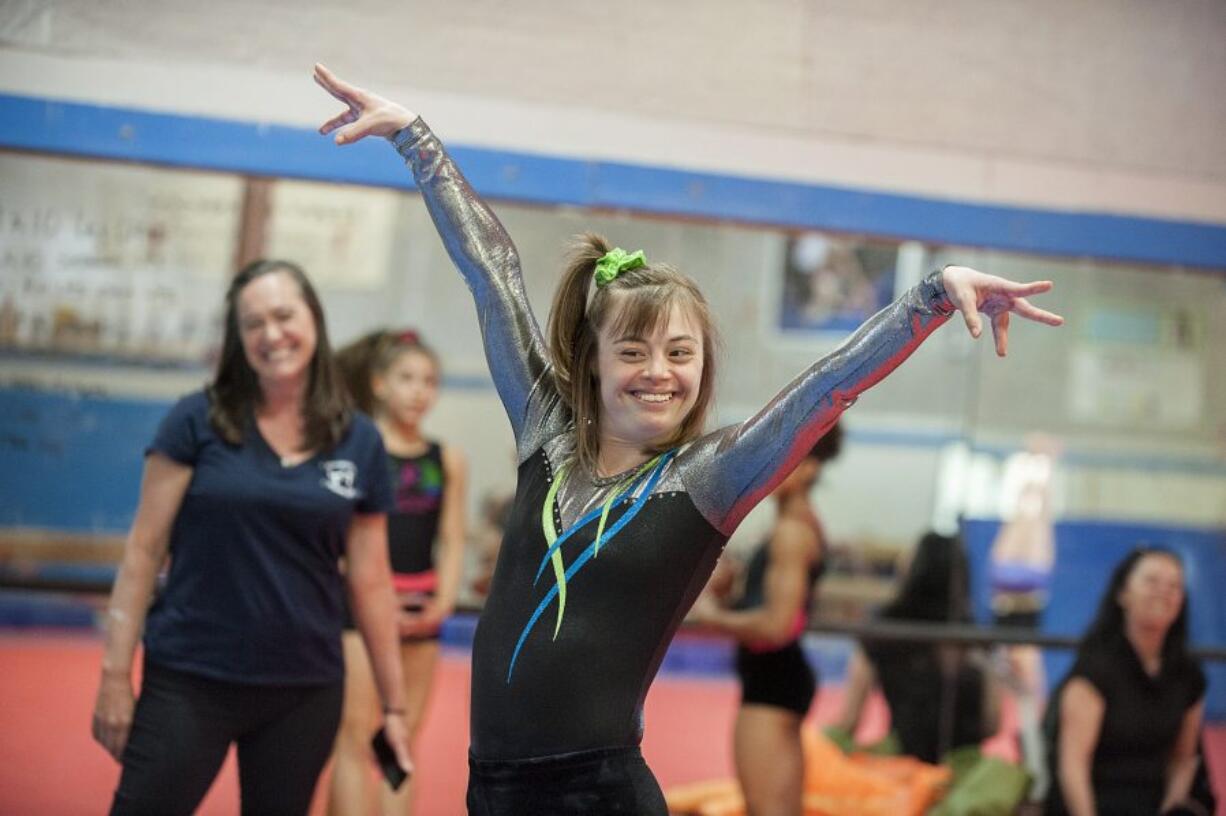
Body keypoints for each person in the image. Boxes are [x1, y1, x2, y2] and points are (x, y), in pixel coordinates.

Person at [313, 63, 1063, 815]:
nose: (657, 374)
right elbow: (494, 275)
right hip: (494, 788)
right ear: (592, 361)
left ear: (702, 370)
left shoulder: (710, 476)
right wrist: (417, 141)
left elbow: (827, 387)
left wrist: (929, 298)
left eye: (680, 354)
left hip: (600, 793)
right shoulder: (546, 435)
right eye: (632, 352)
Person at [91, 259, 412, 815]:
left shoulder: (359, 441)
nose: (272, 335)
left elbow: (372, 582)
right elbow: (143, 552)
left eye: (284, 315)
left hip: (304, 690)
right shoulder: (196, 420)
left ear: (313, 316)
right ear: (238, 339)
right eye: (253, 324)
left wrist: (395, 708)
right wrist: (115, 677)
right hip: (190, 679)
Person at [328, 329, 468, 816]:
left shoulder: (446, 460)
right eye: (406, 378)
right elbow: (336, 534)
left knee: (400, 740)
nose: (418, 391)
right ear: (380, 384)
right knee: (354, 736)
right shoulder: (354, 450)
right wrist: (369, 595)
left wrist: (444, 602)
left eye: (428, 381)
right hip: (360, 611)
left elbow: (451, 537)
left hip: (420, 611)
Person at [689, 422, 843, 816]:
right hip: (776, 678)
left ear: (808, 469)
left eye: (783, 463)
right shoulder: (794, 526)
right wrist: (734, 590)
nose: (770, 472)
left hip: (773, 681)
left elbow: (778, 624)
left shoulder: (791, 532)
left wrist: (714, 618)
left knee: (766, 809)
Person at [1046, 548, 1208, 816]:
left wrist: (1171, 808)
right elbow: (1073, 765)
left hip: (1153, 803)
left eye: (1174, 585)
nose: (1163, 592)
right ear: (1123, 593)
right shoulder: (1093, 670)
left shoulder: (1188, 675)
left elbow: (1183, 759)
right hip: (1096, 803)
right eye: (1152, 581)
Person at [833, 531, 1001, 763]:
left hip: (905, 767)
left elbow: (848, 720)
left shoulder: (884, 635)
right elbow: (992, 724)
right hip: (964, 773)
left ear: (914, 570)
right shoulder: (975, 639)